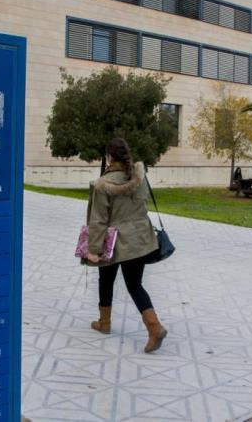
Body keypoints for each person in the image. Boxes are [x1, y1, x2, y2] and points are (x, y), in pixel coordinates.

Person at [84, 137, 167, 353]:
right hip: (139, 238)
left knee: (106, 279)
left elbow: (98, 219)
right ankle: (154, 327)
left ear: (109, 157)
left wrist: (93, 250)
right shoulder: (139, 177)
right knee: (135, 285)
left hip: (112, 241)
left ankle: (104, 322)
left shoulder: (102, 184)